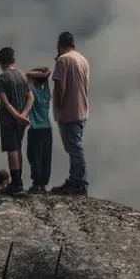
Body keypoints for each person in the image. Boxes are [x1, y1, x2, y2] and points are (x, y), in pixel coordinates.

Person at [50, 31, 90, 195]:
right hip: (82, 109)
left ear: (59, 45)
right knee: (75, 146)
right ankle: (75, 178)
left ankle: (79, 182)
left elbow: (60, 87)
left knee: (74, 148)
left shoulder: (63, 60)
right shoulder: (82, 59)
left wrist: (58, 108)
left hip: (69, 110)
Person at [0, 46, 33, 195]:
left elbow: (5, 101)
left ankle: (16, 183)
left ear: (0, 62)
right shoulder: (22, 76)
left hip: (9, 119)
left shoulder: (2, 78)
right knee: (18, 148)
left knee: (11, 149)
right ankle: (19, 180)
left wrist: (16, 116)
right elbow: (31, 97)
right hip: (22, 120)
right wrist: (24, 114)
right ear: (13, 60)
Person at [25, 66, 53, 194]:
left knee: (34, 156)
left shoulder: (32, 93)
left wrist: (35, 71)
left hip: (35, 129)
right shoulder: (46, 93)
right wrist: (42, 72)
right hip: (47, 128)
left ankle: (37, 183)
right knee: (46, 156)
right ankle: (43, 183)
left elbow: (27, 74)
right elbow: (47, 72)